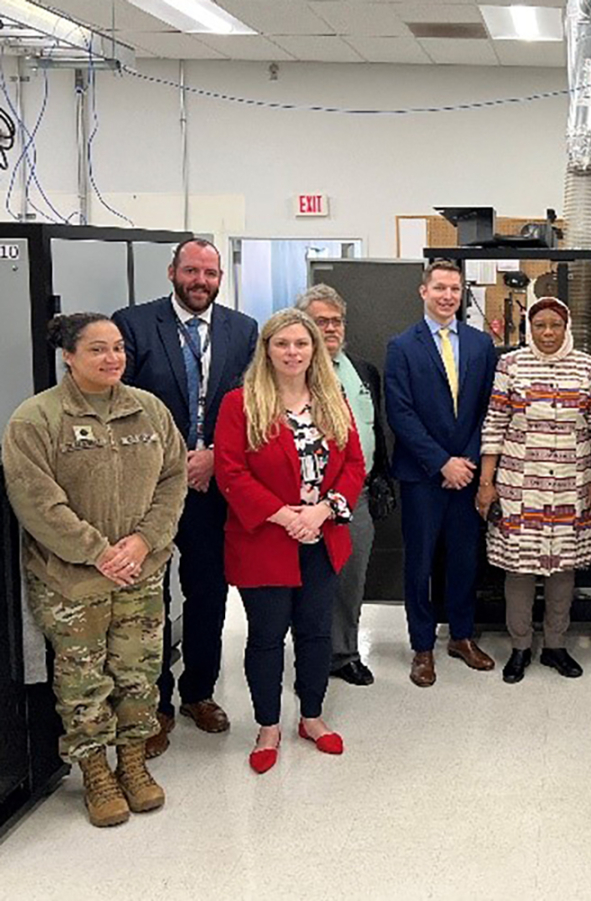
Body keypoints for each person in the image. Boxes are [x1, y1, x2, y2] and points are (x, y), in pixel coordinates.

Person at [3, 313, 186, 827]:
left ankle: (132, 762)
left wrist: (142, 542)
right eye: (98, 350)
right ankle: (96, 774)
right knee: (84, 680)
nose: (113, 359)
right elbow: (36, 501)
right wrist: (98, 551)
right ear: (69, 356)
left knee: (138, 672)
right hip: (73, 579)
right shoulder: (36, 419)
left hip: (140, 571)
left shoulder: (148, 410)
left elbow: (172, 480)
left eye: (119, 348)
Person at [112, 237, 258, 758]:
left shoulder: (242, 330)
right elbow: (120, 404)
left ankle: (199, 691)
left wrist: (218, 453)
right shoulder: (131, 324)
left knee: (208, 594)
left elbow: (251, 403)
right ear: (173, 271)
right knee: (152, 600)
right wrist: (176, 462)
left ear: (221, 278)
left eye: (210, 274)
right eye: (192, 271)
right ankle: (155, 706)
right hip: (150, 489)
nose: (201, 282)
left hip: (212, 486)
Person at [214, 309, 365, 774]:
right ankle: (267, 726)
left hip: (321, 537)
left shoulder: (333, 398)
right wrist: (284, 516)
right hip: (264, 539)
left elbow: (355, 464)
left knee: (316, 632)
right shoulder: (240, 404)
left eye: (302, 344)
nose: (293, 352)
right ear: (267, 350)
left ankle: (312, 717)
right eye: (283, 344)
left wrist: (322, 511)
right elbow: (230, 472)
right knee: (266, 637)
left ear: (315, 351)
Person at [476, 298, 591, 683]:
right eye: (540, 325)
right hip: (519, 485)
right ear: (529, 328)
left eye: (555, 325)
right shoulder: (511, 365)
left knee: (561, 569)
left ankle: (555, 645)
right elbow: (495, 425)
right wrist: (487, 484)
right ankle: (520, 647)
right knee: (519, 569)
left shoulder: (585, 365)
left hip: (573, 484)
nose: (547, 333)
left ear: (566, 327)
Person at [385, 260, 498, 687]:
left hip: (467, 473)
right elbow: (400, 412)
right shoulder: (402, 346)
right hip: (422, 476)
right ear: (423, 292)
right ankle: (422, 646)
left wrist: (466, 461)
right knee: (420, 562)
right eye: (440, 288)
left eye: (454, 289)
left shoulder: (479, 344)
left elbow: (489, 408)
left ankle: (462, 636)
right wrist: (441, 462)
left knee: (465, 559)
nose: (447, 296)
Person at [296, 285, 392, 687]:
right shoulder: (293, 372)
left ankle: (344, 653)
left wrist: (382, 474)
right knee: (309, 585)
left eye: (336, 321)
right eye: (321, 321)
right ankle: (310, 655)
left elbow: (373, 429)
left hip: (357, 496)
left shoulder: (362, 371)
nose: (331, 328)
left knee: (351, 580)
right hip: (307, 501)